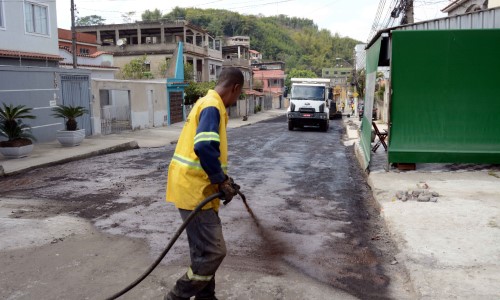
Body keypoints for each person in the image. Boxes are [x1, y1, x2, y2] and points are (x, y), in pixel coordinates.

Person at [164, 67, 244, 300]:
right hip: (194, 191)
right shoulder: (212, 106)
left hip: (194, 188)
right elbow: (204, 147)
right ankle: (176, 297)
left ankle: (205, 298)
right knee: (213, 252)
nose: (236, 100)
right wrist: (220, 179)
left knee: (203, 251)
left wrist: (223, 180)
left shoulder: (207, 103)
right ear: (235, 88)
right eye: (238, 95)